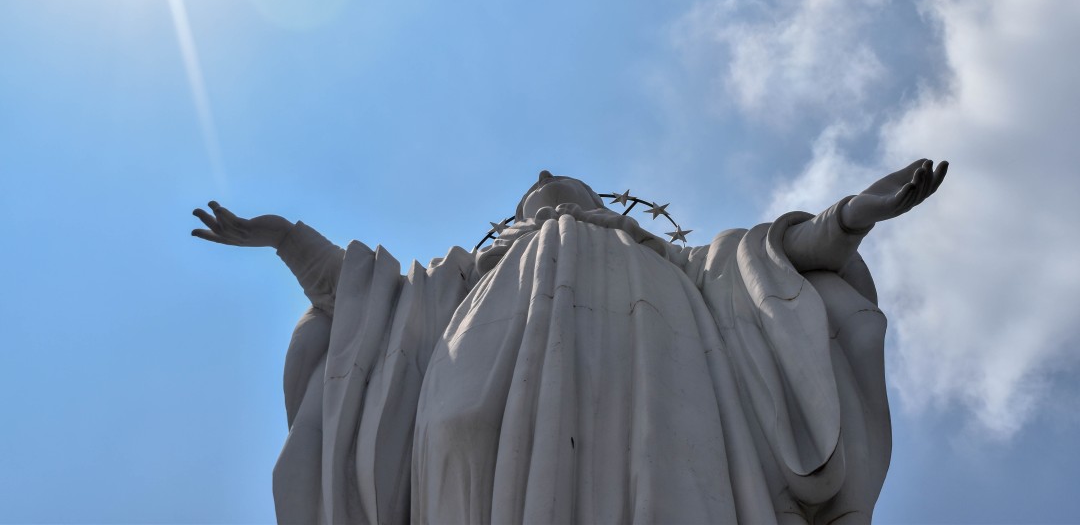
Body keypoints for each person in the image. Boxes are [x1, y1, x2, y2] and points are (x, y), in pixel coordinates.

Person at [193, 159, 946, 525]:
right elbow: (360, 303)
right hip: (473, 386)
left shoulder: (683, 267)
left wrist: (853, 215)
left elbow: (780, 260)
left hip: (660, 363)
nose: (550, 176)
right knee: (458, 446)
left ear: (600, 203)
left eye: (565, 181)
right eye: (538, 185)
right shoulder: (458, 284)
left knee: (671, 472)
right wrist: (285, 237)